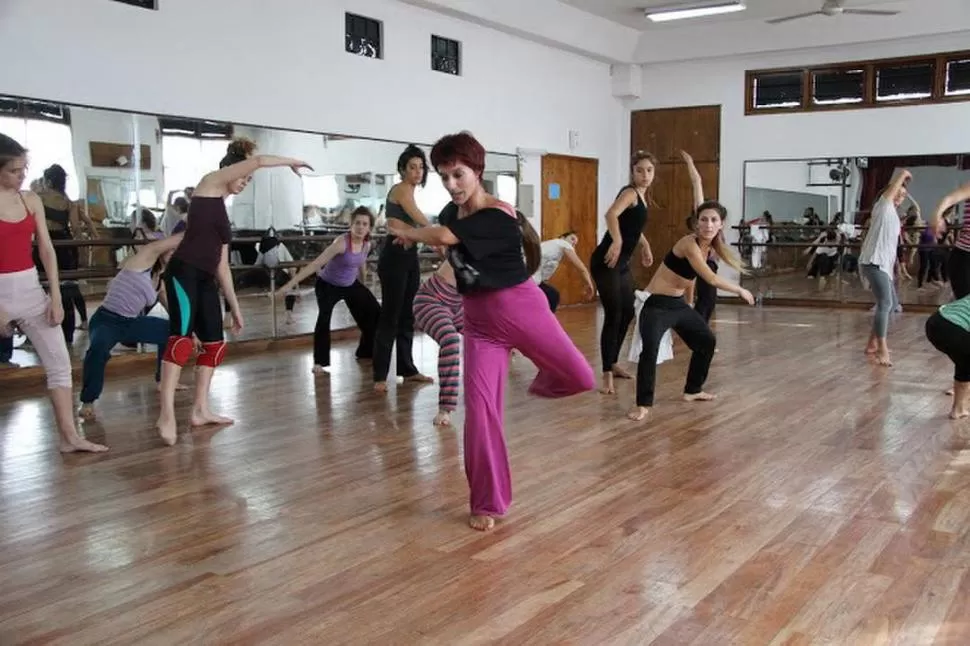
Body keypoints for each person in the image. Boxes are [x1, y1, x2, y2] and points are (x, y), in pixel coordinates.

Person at [388, 131, 595, 532]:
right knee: (480, 415)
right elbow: (448, 242)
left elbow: (446, 237)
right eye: (444, 177)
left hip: (520, 308)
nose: (451, 185)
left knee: (581, 377)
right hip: (480, 322)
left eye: (458, 175)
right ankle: (487, 502)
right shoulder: (452, 213)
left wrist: (407, 230)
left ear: (477, 171)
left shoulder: (500, 215)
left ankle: (542, 381)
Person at [155, 138, 312, 445]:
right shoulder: (209, 184)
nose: (245, 182)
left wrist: (235, 307)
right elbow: (257, 161)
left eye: (248, 179)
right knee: (181, 340)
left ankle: (200, 409)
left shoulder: (223, 213)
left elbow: (222, 265)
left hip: (205, 280)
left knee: (215, 344)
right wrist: (291, 160)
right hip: (182, 274)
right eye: (244, 176)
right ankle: (166, 414)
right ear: (230, 169)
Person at [0, 133, 107, 452]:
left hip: (31, 289)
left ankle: (70, 437)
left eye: (24, 169)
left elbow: (46, 249)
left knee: (60, 363)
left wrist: (57, 299)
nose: (22, 176)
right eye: (14, 171)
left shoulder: (29, 199)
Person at [628, 199, 754, 422]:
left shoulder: (709, 248)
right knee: (650, 351)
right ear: (697, 223)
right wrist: (739, 289)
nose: (708, 224)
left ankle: (693, 390)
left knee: (706, 342)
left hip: (677, 305)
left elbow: (690, 278)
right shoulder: (688, 243)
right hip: (656, 305)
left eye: (713, 220)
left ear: (721, 224)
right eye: (703, 219)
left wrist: (689, 304)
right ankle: (643, 405)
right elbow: (710, 278)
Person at [79, 232, 187, 420]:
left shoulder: (160, 281)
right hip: (106, 320)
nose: (173, 252)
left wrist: (189, 331)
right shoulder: (142, 261)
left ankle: (163, 379)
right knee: (98, 350)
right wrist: (200, 221)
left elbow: (173, 313)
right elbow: (162, 244)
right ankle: (88, 401)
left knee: (171, 331)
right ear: (161, 248)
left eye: (176, 251)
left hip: (130, 323)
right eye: (170, 249)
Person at [274, 207, 380, 373]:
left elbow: (361, 264)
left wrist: (363, 285)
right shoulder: (341, 243)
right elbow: (315, 264)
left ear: (369, 228)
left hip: (350, 284)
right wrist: (287, 287)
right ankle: (319, 363)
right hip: (328, 285)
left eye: (364, 224)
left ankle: (366, 351)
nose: (360, 227)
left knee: (375, 312)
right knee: (324, 319)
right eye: (357, 223)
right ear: (351, 225)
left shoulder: (366, 244)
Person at [591, 151, 655, 395]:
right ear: (633, 171)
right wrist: (616, 241)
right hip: (606, 262)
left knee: (628, 312)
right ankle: (606, 373)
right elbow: (611, 215)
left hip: (622, 264)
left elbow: (632, 226)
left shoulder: (641, 196)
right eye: (640, 170)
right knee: (614, 314)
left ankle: (614, 362)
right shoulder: (629, 192)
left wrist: (645, 245)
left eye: (649, 170)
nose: (645, 175)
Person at [372, 144, 434, 392]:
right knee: (391, 315)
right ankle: (379, 375)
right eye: (412, 167)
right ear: (402, 169)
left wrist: (422, 235)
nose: (418, 172)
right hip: (394, 257)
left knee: (408, 314)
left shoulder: (410, 190)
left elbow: (413, 229)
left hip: (409, 257)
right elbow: (420, 219)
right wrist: (439, 236)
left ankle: (407, 369)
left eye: (421, 167)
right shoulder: (401, 190)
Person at [412, 203, 464, 427]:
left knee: (489, 334)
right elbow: (436, 232)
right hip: (430, 300)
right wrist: (409, 235)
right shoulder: (463, 238)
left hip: (459, 304)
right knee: (450, 340)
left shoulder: (491, 245)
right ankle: (445, 409)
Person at [859, 169, 911, 367]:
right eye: (898, 192)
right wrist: (903, 175)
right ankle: (882, 348)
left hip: (883, 264)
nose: (900, 196)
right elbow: (892, 191)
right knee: (885, 304)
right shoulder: (883, 206)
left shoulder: (893, 214)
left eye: (904, 195)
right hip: (873, 261)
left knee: (891, 304)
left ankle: (872, 343)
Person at [926, 293, 970, 419]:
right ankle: (958, 408)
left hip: (935, 321)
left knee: (964, 361)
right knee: (965, 361)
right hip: (953, 328)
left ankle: (958, 408)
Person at [532, 231, 595, 311]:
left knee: (551, 295)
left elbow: (543, 277)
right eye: (572, 239)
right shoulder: (562, 243)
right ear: (562, 238)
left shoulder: (551, 248)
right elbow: (582, 269)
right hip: (528, 278)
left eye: (575, 244)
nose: (573, 243)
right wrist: (590, 285)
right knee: (552, 296)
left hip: (528, 277)